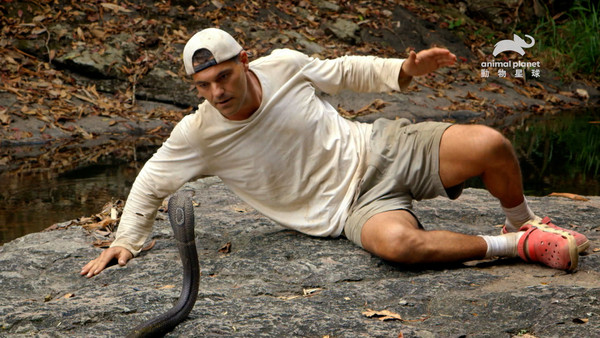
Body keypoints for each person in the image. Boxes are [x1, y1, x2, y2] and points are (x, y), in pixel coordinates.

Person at [81, 28, 589, 278]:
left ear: (244, 62)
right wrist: (128, 239)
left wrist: (405, 71)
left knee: (491, 144)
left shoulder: (283, 67)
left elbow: (344, 72)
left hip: (380, 148)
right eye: (203, 85)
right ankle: (515, 249)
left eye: (224, 77)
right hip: (349, 211)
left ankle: (522, 224)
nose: (216, 92)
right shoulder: (198, 134)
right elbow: (151, 180)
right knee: (401, 249)